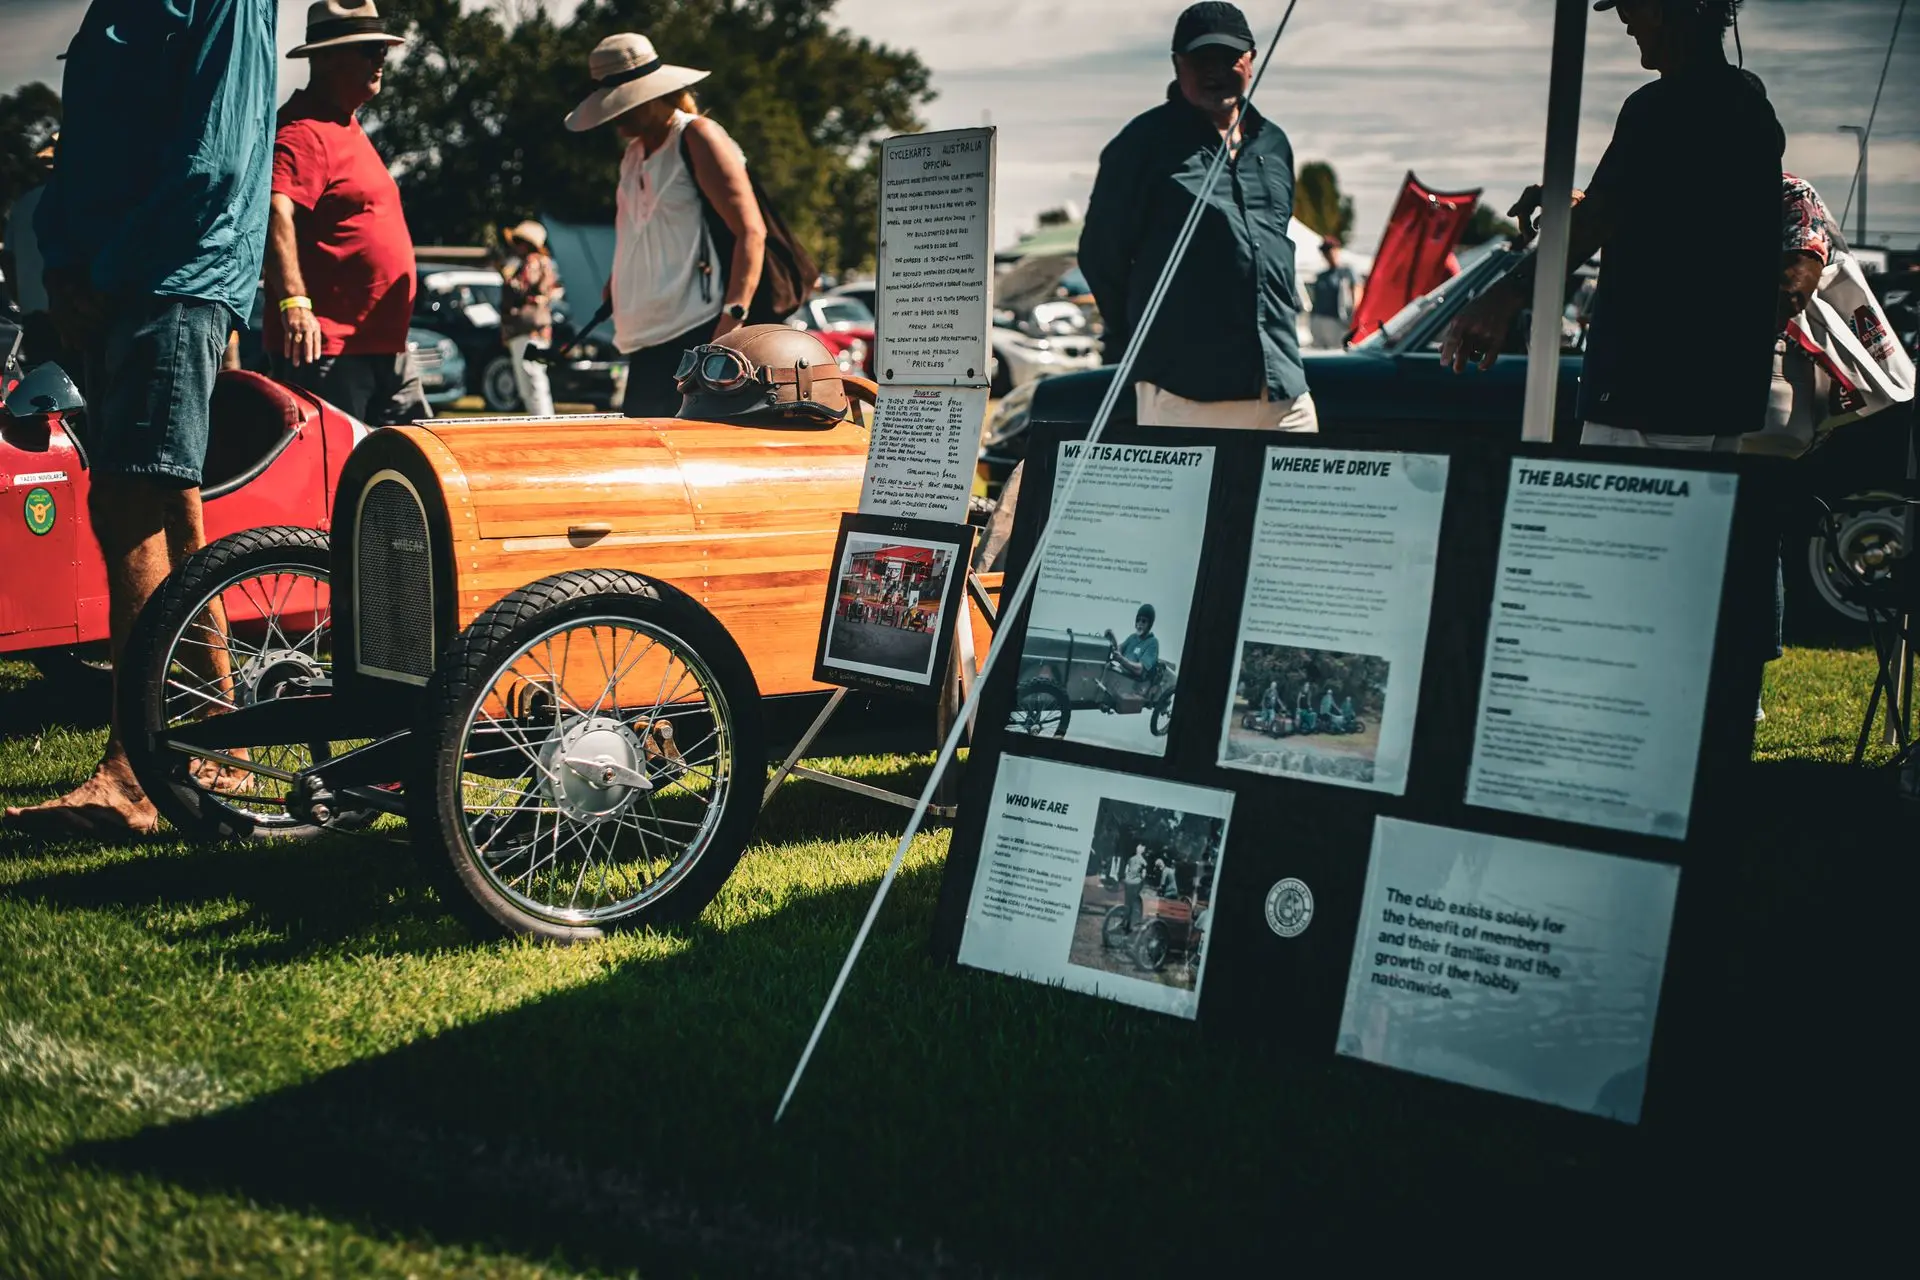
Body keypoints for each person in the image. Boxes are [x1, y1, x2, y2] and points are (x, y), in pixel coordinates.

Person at [5, 0, 275, 836]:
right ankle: (218, 744)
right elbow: (81, 146)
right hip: (111, 285)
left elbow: (213, 157)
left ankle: (136, 769)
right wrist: (63, 268)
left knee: (127, 503)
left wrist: (106, 274)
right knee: (167, 505)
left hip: (171, 279)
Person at [1441, 0, 1782, 453]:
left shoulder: (1660, 107)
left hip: (1652, 388)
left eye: (1630, 13)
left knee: (1613, 521)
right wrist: (1578, 202)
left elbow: (1603, 219)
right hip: (1722, 392)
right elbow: (1670, 213)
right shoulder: (1750, 109)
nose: (1627, 28)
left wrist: (1506, 294)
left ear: (1659, 10)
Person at [1080, 2, 1313, 431]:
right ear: (1176, 64)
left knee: (1300, 499)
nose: (1215, 71)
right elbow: (1100, 256)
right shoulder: (1140, 146)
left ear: (1251, 60)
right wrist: (1140, 341)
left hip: (1284, 386)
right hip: (1186, 390)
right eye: (1201, 59)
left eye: (1229, 58)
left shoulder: (1274, 143)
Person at [566, 33, 767, 418]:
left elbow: (751, 231)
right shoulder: (633, 153)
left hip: (696, 331)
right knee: (645, 454)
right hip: (647, 337)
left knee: (680, 458)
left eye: (621, 103)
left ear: (650, 94)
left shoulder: (697, 136)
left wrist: (729, 325)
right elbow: (638, 231)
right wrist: (617, 281)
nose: (614, 115)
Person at [267, 2, 428, 427]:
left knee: (406, 476)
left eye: (381, 48)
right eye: (366, 48)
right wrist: (295, 302)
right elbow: (274, 209)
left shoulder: (345, 127)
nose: (381, 57)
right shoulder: (302, 131)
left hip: (381, 344)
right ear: (325, 57)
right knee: (337, 478)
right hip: (329, 349)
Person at [2, 135, 58, 366]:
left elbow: (8, 259)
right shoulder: (80, 201)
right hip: (78, 311)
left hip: (35, 315)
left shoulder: (22, 205)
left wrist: (21, 300)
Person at [499, 219, 562, 417]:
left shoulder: (532, 262)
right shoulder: (544, 263)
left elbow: (520, 287)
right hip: (537, 330)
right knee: (534, 378)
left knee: (532, 378)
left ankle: (542, 421)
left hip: (528, 331)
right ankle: (541, 419)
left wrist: (505, 274)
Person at [1308, 238, 1360, 350]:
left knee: (1337, 349)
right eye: (1325, 252)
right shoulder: (1321, 275)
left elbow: (1357, 290)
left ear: (1337, 250)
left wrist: (1354, 315)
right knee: (1318, 350)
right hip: (1318, 318)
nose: (1328, 255)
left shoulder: (1347, 271)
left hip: (1337, 320)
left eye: (1330, 251)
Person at [1107, 604, 1160, 685]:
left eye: (1144, 621)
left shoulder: (1152, 643)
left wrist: (1121, 659)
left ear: (1150, 624)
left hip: (1134, 684)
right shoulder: (1133, 637)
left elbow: (1139, 670)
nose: (1140, 623)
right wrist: (1112, 641)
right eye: (1138, 620)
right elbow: (1119, 650)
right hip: (1120, 675)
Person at [1123, 843, 1149, 932]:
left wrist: (1128, 877)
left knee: (1127, 903)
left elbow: (1126, 870)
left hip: (1127, 882)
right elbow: (1144, 875)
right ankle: (1132, 925)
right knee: (1135, 904)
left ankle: (1124, 922)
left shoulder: (1131, 859)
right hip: (1136, 883)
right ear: (1143, 850)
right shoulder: (1143, 861)